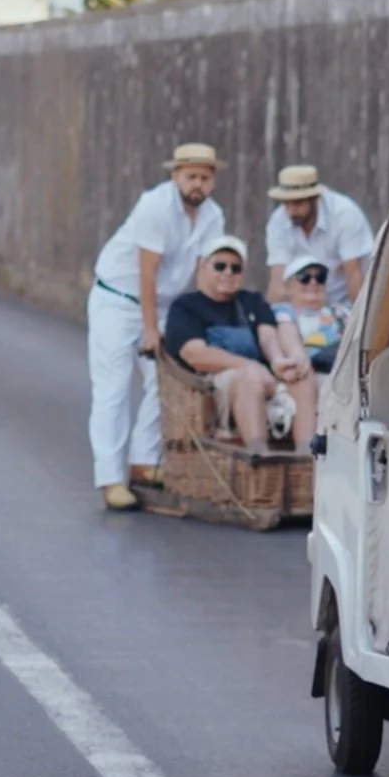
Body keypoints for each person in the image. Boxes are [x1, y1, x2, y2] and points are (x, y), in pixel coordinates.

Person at [88, 141, 225, 511]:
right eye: (191, 176)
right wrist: (150, 329)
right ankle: (110, 479)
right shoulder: (155, 205)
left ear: (213, 181)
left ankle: (144, 463)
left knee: (165, 381)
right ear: (175, 176)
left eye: (204, 178)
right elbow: (146, 272)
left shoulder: (213, 216)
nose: (197, 184)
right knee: (113, 388)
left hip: (163, 303)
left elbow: (205, 271)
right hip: (118, 299)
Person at [165, 237, 317, 453]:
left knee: (300, 375)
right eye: (220, 266)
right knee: (249, 377)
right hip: (210, 385)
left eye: (235, 268)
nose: (228, 272)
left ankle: (306, 454)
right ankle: (259, 453)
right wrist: (248, 366)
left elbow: (267, 336)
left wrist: (278, 361)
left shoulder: (251, 301)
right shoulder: (186, 306)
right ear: (202, 267)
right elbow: (195, 354)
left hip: (264, 375)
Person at [264, 163, 374, 311]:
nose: (291, 210)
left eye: (297, 203)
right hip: (301, 309)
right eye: (286, 203)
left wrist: (358, 318)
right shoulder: (278, 220)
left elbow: (354, 275)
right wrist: (272, 316)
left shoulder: (344, 215)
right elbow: (278, 280)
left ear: (314, 198)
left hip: (346, 304)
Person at [272, 254, 346, 374]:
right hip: (309, 370)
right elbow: (287, 334)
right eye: (304, 277)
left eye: (320, 277)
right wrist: (298, 358)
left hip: (344, 368)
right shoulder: (283, 312)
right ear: (288, 286)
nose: (313, 282)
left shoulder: (339, 311)